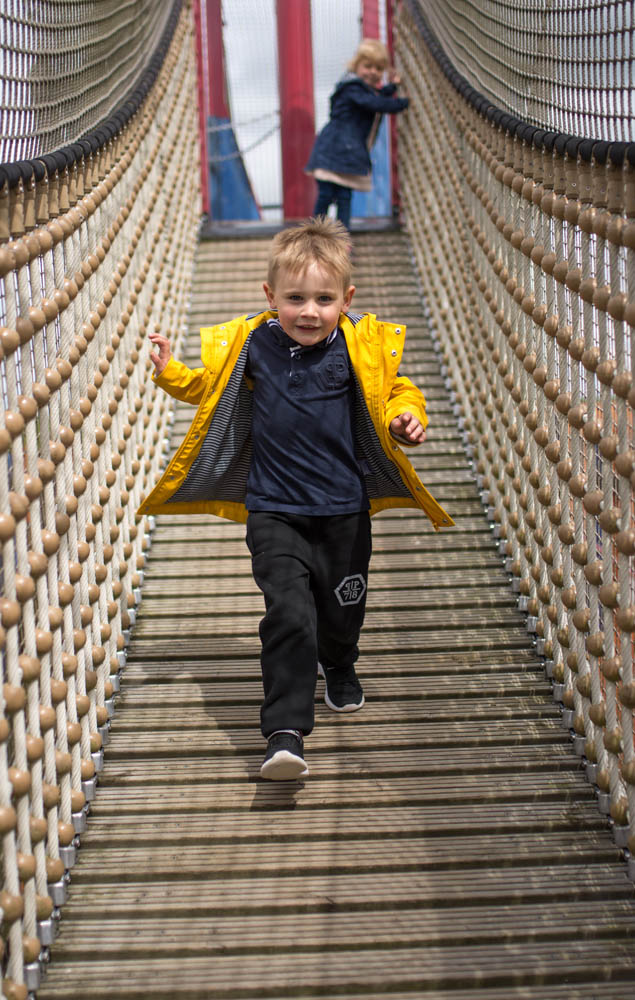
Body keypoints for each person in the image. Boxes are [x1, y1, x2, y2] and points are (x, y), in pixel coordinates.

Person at [138, 217, 453, 781]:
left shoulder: (358, 345)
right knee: (288, 613)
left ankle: (340, 663)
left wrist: (408, 417)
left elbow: (396, 390)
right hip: (274, 506)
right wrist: (170, 372)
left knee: (341, 610)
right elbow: (208, 388)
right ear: (270, 297)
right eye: (295, 298)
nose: (309, 311)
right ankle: (285, 732)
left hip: (343, 509)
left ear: (346, 300)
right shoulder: (254, 342)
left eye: (324, 299)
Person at [305, 38, 409, 230]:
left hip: (345, 153)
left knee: (345, 196)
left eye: (378, 69)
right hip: (334, 149)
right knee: (326, 194)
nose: (373, 72)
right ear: (356, 66)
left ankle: (342, 238)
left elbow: (375, 97)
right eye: (367, 66)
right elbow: (374, 103)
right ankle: (314, 234)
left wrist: (392, 88)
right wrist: (402, 103)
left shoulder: (363, 91)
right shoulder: (352, 88)